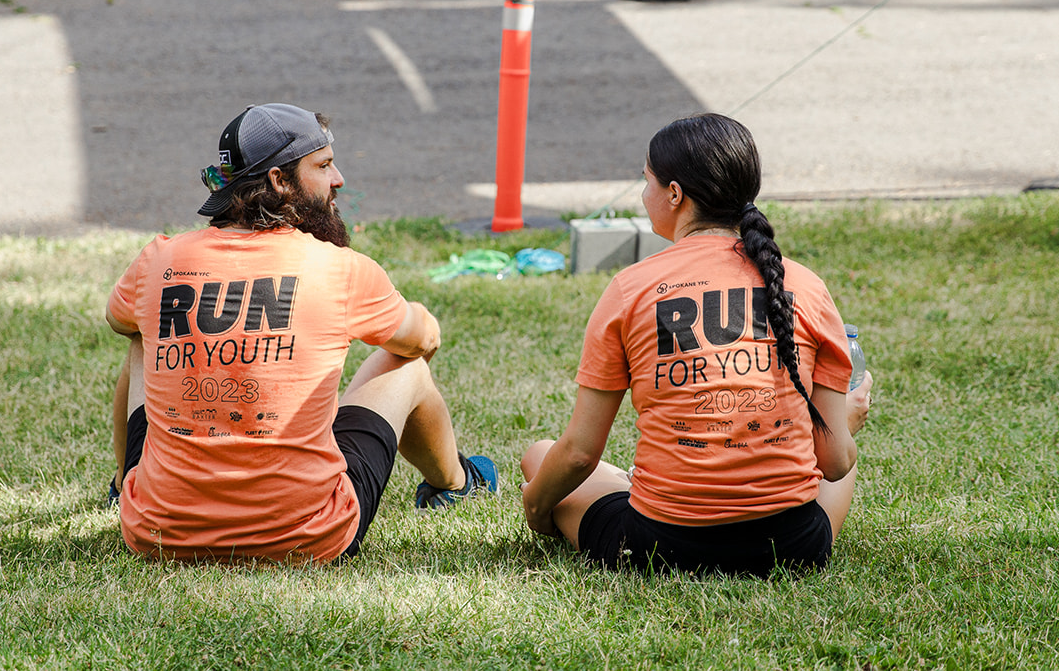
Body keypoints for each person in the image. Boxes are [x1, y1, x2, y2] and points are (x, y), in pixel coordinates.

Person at [106, 103, 497, 564]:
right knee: (407, 365)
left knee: (142, 337)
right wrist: (419, 315)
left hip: (157, 533)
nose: (339, 179)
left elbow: (121, 320)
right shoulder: (339, 269)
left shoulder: (158, 260)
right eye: (324, 165)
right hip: (308, 538)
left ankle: (125, 488)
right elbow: (422, 340)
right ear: (279, 181)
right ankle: (455, 483)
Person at [521, 113, 875, 577]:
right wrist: (845, 421)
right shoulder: (806, 285)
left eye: (645, 181)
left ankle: (642, 485)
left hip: (660, 548)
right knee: (837, 437)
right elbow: (835, 463)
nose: (643, 194)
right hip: (792, 547)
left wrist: (536, 510)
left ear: (674, 194)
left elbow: (579, 454)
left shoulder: (631, 288)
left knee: (540, 455)